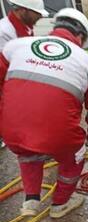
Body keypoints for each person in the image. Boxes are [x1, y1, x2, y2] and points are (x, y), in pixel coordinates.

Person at [0, 8, 88, 218]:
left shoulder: (15, 46)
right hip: (59, 134)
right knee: (73, 158)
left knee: (27, 151)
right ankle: (60, 204)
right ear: (81, 36)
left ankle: (31, 198)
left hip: (11, 130)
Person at [0, 0, 48, 148]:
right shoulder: (4, 31)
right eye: (37, 13)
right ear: (23, 10)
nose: (40, 17)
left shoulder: (26, 28)